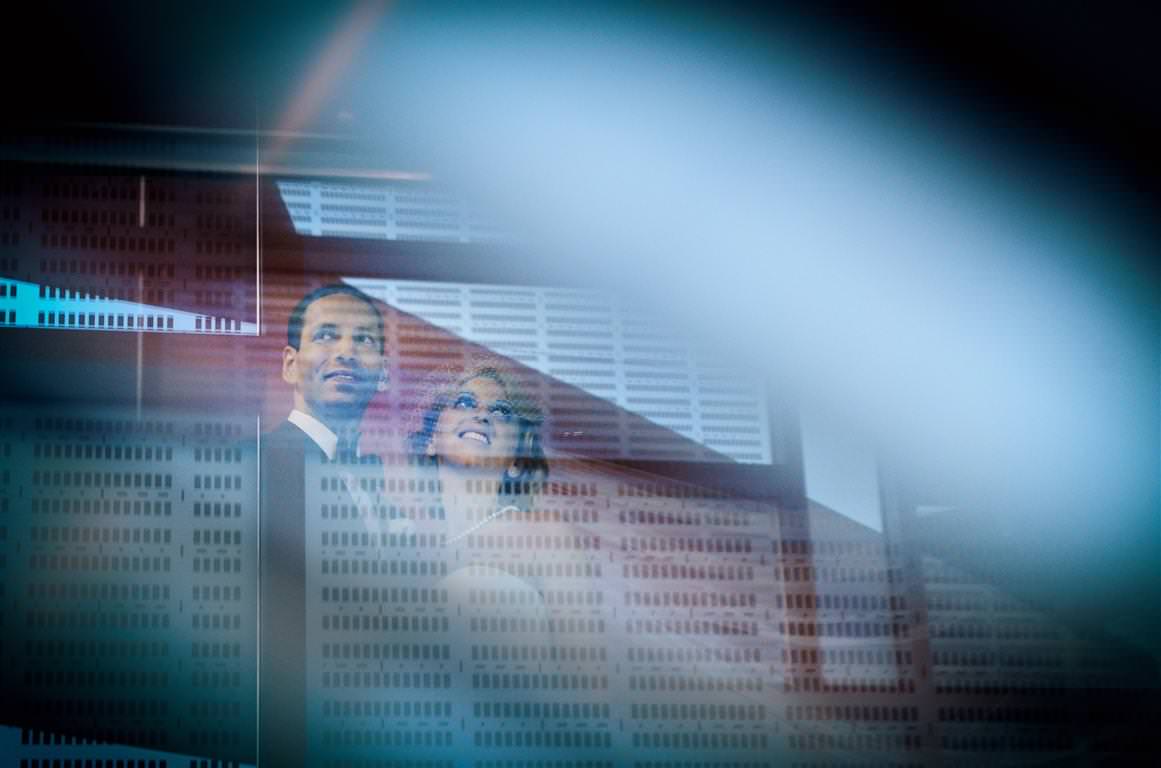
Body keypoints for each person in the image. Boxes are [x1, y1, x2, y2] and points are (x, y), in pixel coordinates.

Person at [259, 283, 386, 768]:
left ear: (384, 373)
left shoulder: (382, 491)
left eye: (365, 341)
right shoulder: (249, 468)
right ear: (290, 363)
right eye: (327, 335)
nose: (346, 353)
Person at [408, 358, 548, 544]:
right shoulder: (393, 525)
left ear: (517, 459)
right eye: (464, 403)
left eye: (500, 412)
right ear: (431, 439)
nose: (482, 414)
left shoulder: (541, 538)